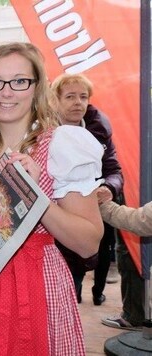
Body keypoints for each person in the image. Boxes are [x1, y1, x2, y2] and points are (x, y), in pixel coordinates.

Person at [0, 42, 104, 355]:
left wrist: (35, 196)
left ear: (37, 87)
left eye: (19, 81)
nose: (7, 92)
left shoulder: (61, 145)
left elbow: (89, 242)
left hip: (35, 285)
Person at [51, 73, 124, 305]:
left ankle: (95, 292)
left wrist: (109, 188)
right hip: (57, 222)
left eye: (83, 97)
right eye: (70, 96)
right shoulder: (43, 133)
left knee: (96, 258)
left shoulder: (100, 129)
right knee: (65, 286)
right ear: (55, 100)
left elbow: (114, 170)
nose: (78, 102)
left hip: (94, 216)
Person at [99, 199, 147, 330]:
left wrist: (103, 205)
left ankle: (132, 317)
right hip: (132, 206)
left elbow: (142, 220)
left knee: (130, 257)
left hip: (132, 209)